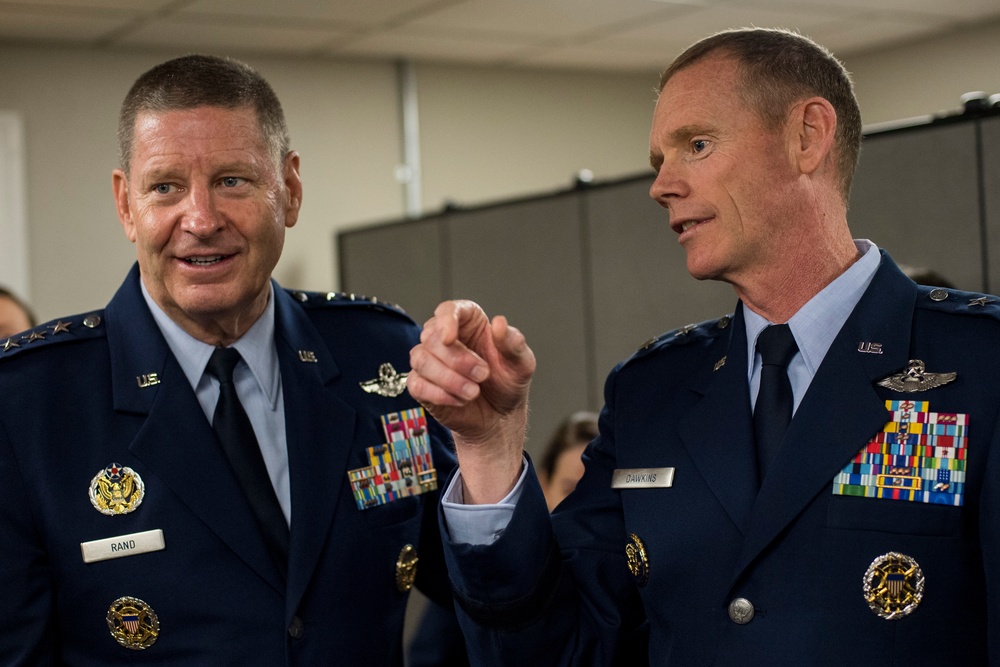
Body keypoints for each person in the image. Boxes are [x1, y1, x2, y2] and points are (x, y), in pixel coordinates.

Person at [407, 27, 1000, 665]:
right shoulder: (651, 393)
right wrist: (489, 449)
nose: (662, 185)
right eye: (660, 160)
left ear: (807, 137)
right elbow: (558, 648)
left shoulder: (981, 365)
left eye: (696, 144)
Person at [0, 55, 455, 664]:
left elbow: (484, 589)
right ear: (125, 205)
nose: (201, 220)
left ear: (289, 190)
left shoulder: (378, 357)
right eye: (165, 187)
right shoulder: (28, 402)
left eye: (232, 181)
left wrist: (493, 442)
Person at [407, 411, 598, 666]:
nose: (580, 504)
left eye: (592, 493)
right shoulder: (486, 574)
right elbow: (430, 657)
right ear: (543, 482)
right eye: (570, 489)